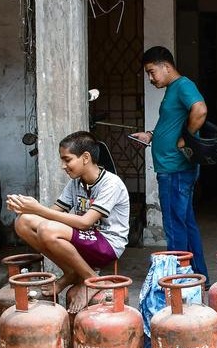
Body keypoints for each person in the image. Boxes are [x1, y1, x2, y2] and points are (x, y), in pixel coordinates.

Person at [8, 131, 130, 312]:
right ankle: (72, 273)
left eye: (67, 159)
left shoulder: (111, 183)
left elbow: (85, 223)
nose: (63, 166)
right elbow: (52, 213)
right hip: (87, 239)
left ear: (86, 158)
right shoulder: (76, 183)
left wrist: (38, 209)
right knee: (23, 222)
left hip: (108, 244)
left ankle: (92, 280)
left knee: (48, 229)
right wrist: (25, 207)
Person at [131, 46, 209, 277]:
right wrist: (152, 136)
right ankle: (198, 275)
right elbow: (172, 122)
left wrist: (186, 138)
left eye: (152, 71)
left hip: (175, 169)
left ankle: (179, 281)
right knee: (184, 223)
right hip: (172, 168)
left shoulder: (183, 85)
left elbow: (200, 110)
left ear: (166, 66)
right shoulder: (174, 89)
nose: (150, 78)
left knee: (175, 227)